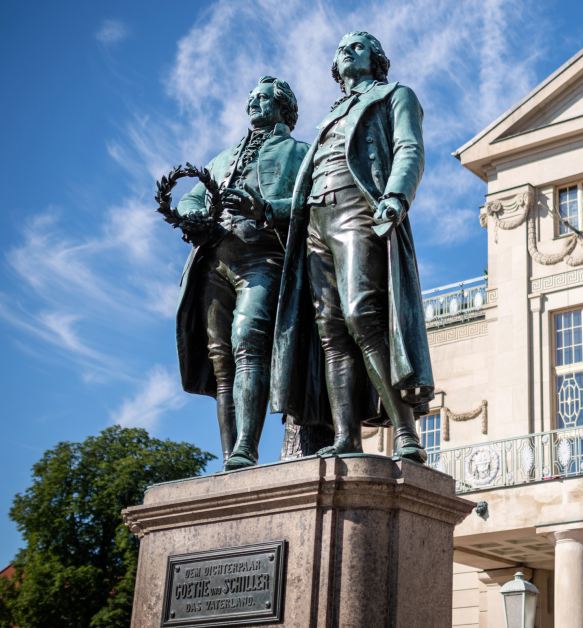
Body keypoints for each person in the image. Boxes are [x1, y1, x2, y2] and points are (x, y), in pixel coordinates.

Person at [271, 32, 433, 462]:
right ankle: (346, 436)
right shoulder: (329, 116)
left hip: (358, 207)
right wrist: (264, 207)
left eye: (358, 46)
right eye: (341, 49)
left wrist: (396, 196)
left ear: (377, 59)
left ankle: (405, 432)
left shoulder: (395, 94)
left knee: (362, 313)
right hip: (314, 222)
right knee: (331, 330)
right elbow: (305, 184)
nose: (347, 51)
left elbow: (409, 148)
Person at [175, 76, 309, 470]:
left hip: (263, 256)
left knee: (248, 340)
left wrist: (265, 207)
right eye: (251, 97)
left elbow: (308, 201)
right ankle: (231, 455)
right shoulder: (220, 159)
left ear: (283, 107)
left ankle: (246, 448)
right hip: (213, 260)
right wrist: (190, 214)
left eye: (264, 98)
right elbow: (192, 196)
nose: (254, 103)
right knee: (221, 360)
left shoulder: (299, 152)